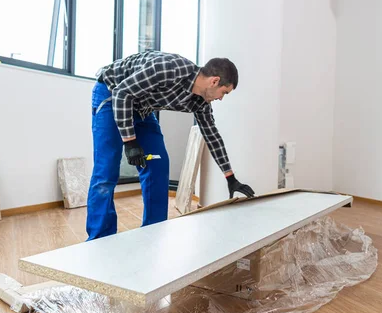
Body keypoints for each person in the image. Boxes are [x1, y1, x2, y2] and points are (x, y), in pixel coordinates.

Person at [86, 50, 255, 240]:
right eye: (224, 92)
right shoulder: (170, 68)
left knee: (158, 165)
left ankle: (153, 233)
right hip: (111, 93)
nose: (221, 98)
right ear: (214, 81)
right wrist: (130, 141)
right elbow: (123, 93)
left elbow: (212, 136)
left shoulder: (200, 102)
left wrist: (230, 177)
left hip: (142, 107)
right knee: (106, 169)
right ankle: (99, 238)